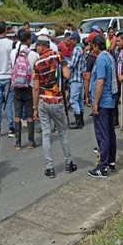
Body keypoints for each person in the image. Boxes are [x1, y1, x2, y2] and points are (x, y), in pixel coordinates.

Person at [33, 35, 77, 179]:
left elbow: (36, 88)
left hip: (43, 101)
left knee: (46, 134)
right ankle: (69, 163)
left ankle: (50, 168)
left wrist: (35, 108)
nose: (36, 48)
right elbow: (67, 75)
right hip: (57, 101)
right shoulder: (58, 56)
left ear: (42, 46)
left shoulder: (37, 63)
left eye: (37, 46)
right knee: (62, 132)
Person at [88, 34, 118, 178]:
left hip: (103, 101)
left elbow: (100, 82)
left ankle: (103, 166)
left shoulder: (101, 60)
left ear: (95, 45)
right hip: (110, 100)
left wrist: (95, 104)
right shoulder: (110, 57)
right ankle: (111, 161)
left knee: (102, 134)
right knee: (110, 132)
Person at [10, 31, 39, 149]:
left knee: (17, 114)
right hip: (29, 87)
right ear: (28, 40)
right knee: (29, 114)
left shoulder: (13, 53)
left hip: (16, 87)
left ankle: (18, 143)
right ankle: (31, 141)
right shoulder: (33, 55)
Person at [0, 21, 15, 137]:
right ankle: (11, 128)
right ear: (6, 30)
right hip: (9, 76)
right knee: (9, 102)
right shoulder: (11, 44)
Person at [67, 32, 86, 130]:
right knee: (79, 100)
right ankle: (81, 120)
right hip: (81, 79)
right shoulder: (81, 50)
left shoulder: (76, 50)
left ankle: (78, 121)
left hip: (75, 78)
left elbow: (72, 65)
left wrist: (65, 67)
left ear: (75, 40)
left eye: (71, 40)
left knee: (73, 100)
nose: (70, 41)